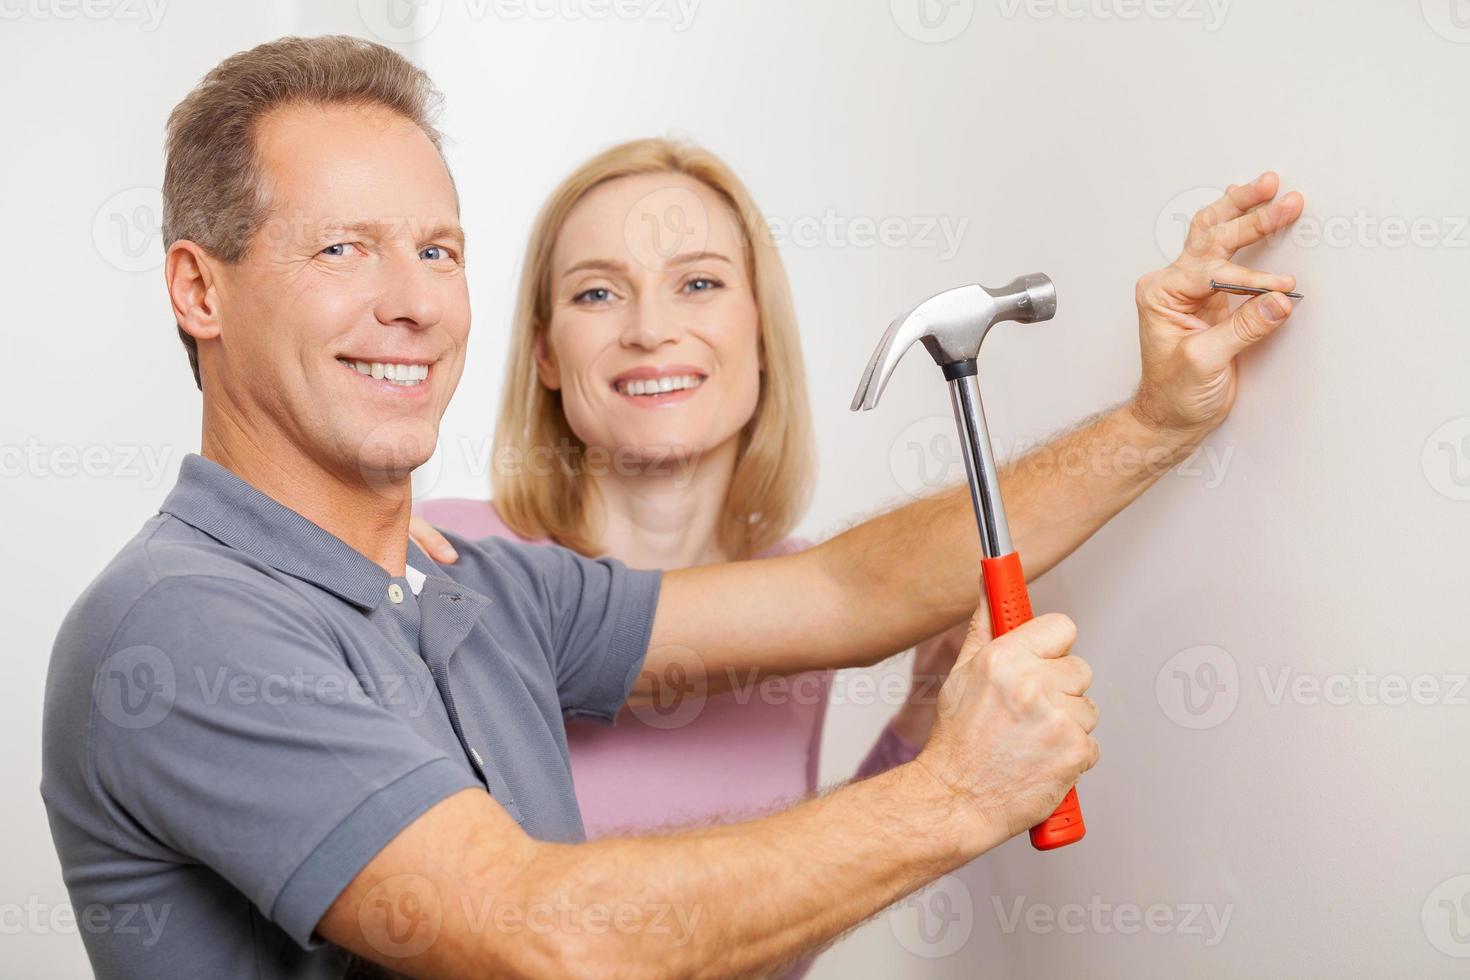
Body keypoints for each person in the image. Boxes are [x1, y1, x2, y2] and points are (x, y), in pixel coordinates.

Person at [40, 35, 1303, 979]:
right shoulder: (184, 626)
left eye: (436, 249)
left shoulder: (479, 589)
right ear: (199, 292)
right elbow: (545, 937)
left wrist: (1154, 422)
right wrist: (958, 790)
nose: (415, 303)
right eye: (340, 249)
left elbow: (840, 593)